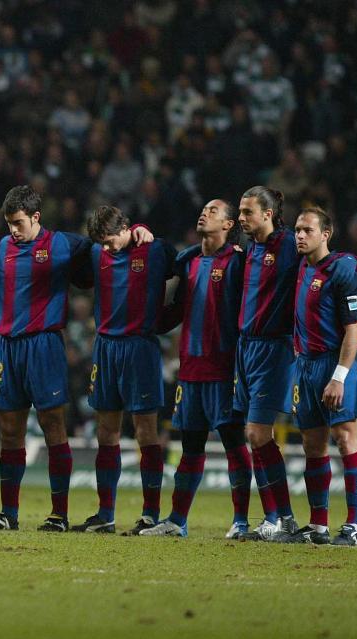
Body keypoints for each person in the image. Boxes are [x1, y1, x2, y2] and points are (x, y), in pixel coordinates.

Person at [0, 186, 151, 532]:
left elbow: (108, 243)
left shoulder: (64, 245)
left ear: (36, 218)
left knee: (53, 427)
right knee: (9, 431)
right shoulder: (2, 249)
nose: (13, 229)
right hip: (7, 347)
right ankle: (7, 513)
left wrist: (138, 232)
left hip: (44, 346)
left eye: (19, 223)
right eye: (9, 223)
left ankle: (58, 513)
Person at [140, 200, 254, 538]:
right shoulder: (187, 261)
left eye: (214, 211)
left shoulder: (237, 262)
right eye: (203, 209)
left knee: (234, 444)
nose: (204, 213)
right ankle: (176, 520)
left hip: (223, 371)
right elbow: (173, 309)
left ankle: (241, 521)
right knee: (190, 447)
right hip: (190, 371)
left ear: (229, 224)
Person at [71, 206, 176, 535]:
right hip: (106, 348)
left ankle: (150, 513)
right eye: (101, 243)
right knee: (106, 432)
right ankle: (105, 514)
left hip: (140, 348)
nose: (107, 247)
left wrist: (146, 230)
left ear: (127, 228)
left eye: (110, 240)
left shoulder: (154, 250)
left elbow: (185, 265)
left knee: (146, 432)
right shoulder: (94, 253)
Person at [277, 208, 357, 546]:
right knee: (312, 446)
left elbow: (354, 331)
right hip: (305, 366)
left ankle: (353, 528)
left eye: (308, 230)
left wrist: (339, 376)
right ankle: (318, 526)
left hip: (337, 365)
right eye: (298, 230)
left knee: (345, 439)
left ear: (325, 233)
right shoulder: (302, 265)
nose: (300, 235)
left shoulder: (342, 271)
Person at [234, 186, 300, 541]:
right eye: (240, 212)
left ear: (268, 214)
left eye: (247, 212)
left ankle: (283, 518)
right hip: (246, 347)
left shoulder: (288, 245)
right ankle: (275, 519)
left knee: (257, 434)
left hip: (273, 348)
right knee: (256, 436)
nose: (241, 218)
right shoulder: (250, 247)